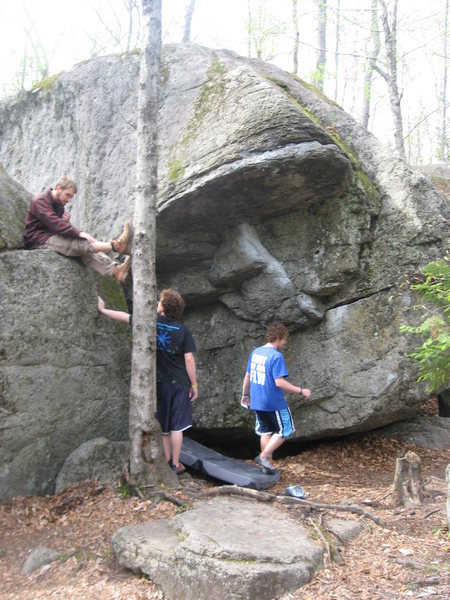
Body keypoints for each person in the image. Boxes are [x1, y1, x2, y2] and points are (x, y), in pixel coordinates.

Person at [97, 289, 198, 474]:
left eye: (160, 300)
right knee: (178, 427)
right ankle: (175, 464)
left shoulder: (151, 323)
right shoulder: (183, 330)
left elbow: (124, 317)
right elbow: (189, 359)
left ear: (164, 306)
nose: (157, 303)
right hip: (180, 383)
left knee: (165, 427)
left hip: (160, 383)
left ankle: (167, 462)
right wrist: (194, 384)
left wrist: (103, 311)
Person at [24, 176, 132, 284]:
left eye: (71, 197)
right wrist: (80, 233)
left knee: (87, 253)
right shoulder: (40, 201)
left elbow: (59, 225)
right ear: (58, 188)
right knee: (77, 244)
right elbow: (55, 224)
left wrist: (66, 222)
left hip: (50, 236)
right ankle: (116, 246)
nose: (69, 199)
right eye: (68, 195)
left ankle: (117, 271)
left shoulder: (59, 204)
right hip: (39, 240)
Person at [240, 323, 311, 474]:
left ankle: (268, 465)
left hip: (257, 401)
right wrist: (301, 391)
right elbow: (279, 382)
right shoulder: (276, 356)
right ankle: (264, 456)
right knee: (286, 430)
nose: (284, 343)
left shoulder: (256, 352)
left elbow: (247, 376)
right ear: (278, 338)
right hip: (274, 403)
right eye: (284, 339)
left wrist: (245, 396)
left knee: (265, 432)